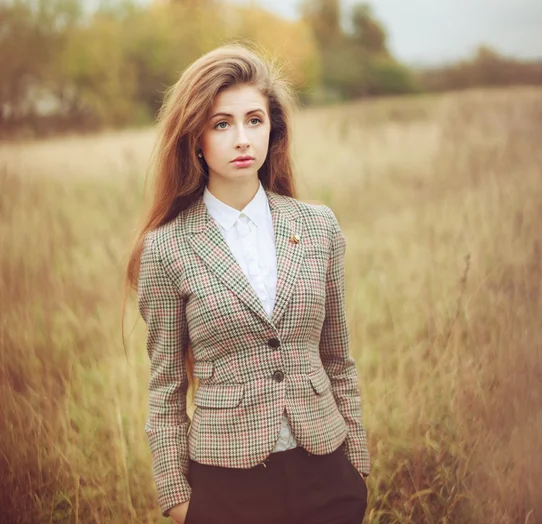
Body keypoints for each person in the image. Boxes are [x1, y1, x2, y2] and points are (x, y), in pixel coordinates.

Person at [126, 44, 371, 524]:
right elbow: (166, 388)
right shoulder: (166, 249)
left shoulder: (319, 226)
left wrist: (356, 466)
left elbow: (338, 358)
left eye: (254, 120)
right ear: (195, 138)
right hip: (228, 487)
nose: (242, 138)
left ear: (272, 130)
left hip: (327, 471)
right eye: (222, 124)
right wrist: (179, 500)